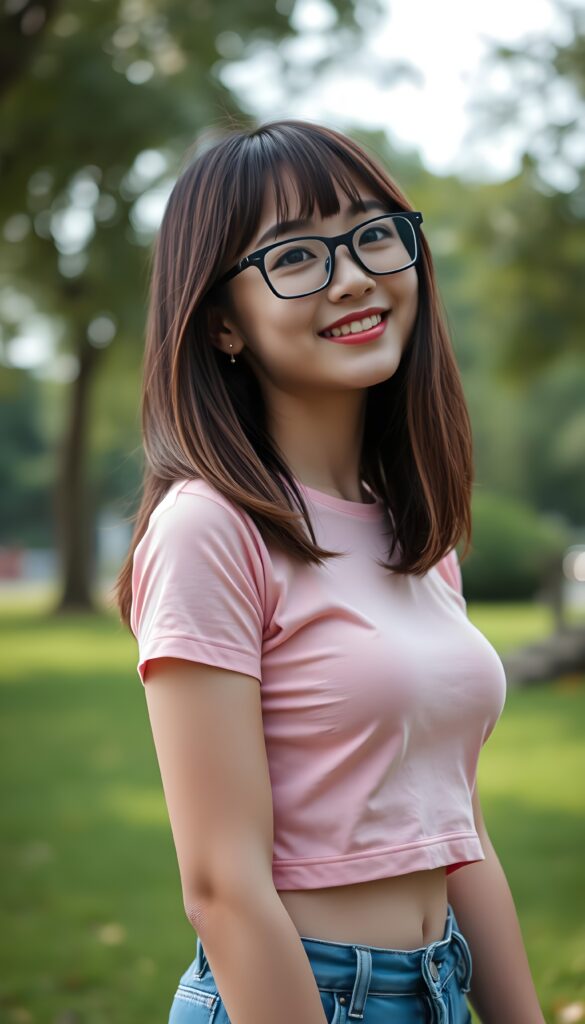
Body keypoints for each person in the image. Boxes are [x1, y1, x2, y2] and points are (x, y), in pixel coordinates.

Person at [116, 119, 545, 1024]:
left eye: (372, 233)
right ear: (224, 323)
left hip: (439, 989)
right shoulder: (209, 529)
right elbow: (222, 889)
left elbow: (456, 835)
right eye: (295, 256)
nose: (351, 273)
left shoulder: (414, 533)